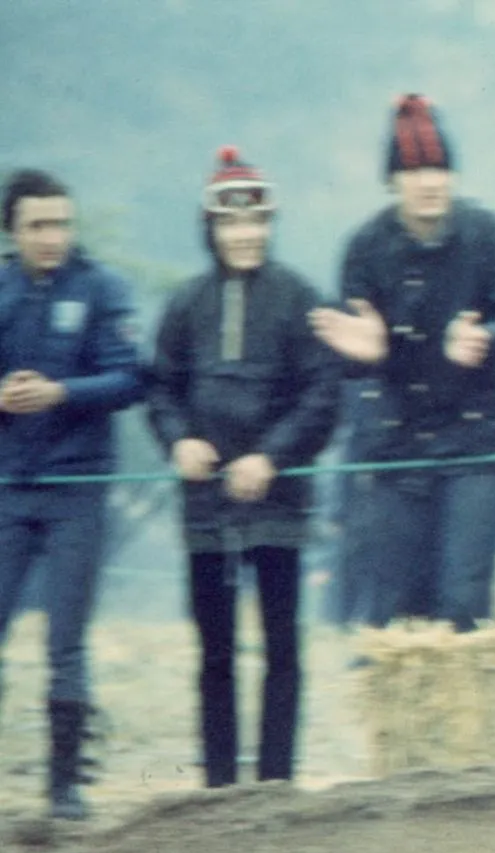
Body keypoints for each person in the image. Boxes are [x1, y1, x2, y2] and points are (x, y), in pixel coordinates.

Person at [310, 93, 495, 632]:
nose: (429, 182)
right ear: (392, 180)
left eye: (439, 169)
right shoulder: (365, 247)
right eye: (414, 171)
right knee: (399, 608)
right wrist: (362, 357)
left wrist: (486, 339)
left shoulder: (490, 236)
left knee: (462, 602)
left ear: (454, 175)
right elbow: (344, 347)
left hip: (479, 440)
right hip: (398, 442)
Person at [147, 148, 338, 787]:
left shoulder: (299, 298)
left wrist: (272, 457)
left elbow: (321, 395)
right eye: (230, 224)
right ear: (212, 229)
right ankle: (219, 788)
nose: (244, 234)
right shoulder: (186, 303)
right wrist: (178, 441)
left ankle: (277, 783)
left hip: (278, 502)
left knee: (282, 645)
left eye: (255, 222)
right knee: (214, 651)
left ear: (269, 224)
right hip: (206, 504)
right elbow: (161, 387)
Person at [0, 169, 143, 821]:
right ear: (12, 230)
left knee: (66, 641)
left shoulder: (103, 288)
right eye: (37, 225)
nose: (52, 236)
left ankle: (65, 788)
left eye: (61, 222)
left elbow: (131, 378)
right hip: (9, 488)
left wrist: (60, 393)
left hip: (78, 488)